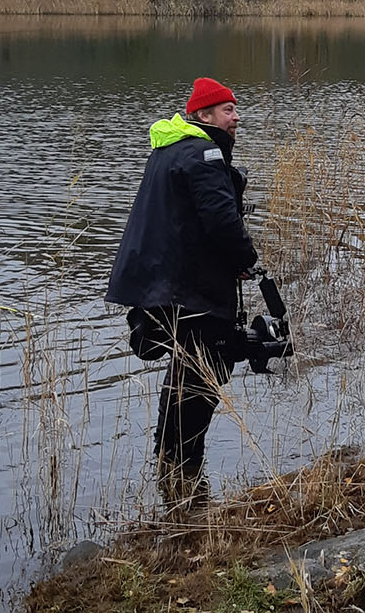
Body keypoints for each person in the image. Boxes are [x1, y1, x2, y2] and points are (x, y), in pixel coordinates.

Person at [105, 77, 258, 508]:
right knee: (201, 378)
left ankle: (170, 471)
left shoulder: (169, 148)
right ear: (203, 116)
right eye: (227, 111)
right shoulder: (204, 154)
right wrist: (247, 260)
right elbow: (223, 224)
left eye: (235, 109)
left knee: (183, 375)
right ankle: (187, 477)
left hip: (163, 287)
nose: (236, 117)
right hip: (190, 291)